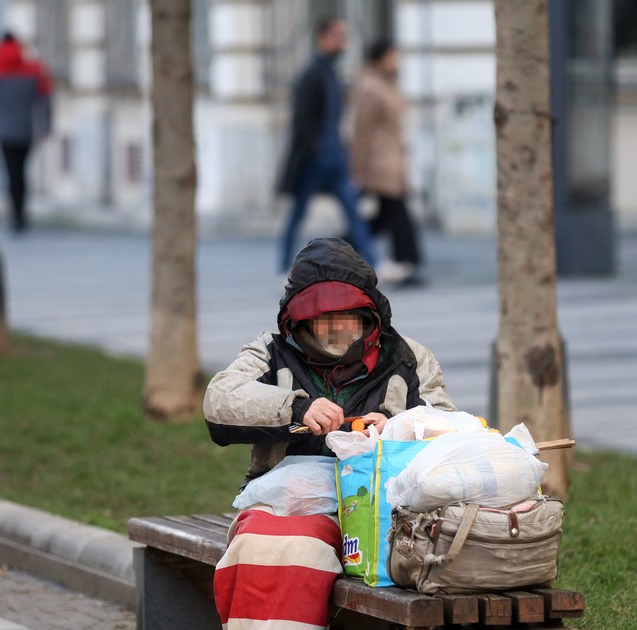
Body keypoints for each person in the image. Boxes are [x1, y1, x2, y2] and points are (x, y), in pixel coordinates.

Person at [203, 237, 456, 628]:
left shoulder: (409, 357)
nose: (336, 327)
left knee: (300, 548)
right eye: (323, 317)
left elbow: (448, 429)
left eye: (348, 316)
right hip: (284, 501)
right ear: (301, 319)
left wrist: (398, 428)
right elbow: (219, 400)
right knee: (262, 545)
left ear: (368, 314)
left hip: (386, 513)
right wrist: (296, 408)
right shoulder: (271, 351)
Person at [277, 17, 382, 276]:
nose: (343, 41)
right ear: (322, 37)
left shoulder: (331, 73)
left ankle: (375, 263)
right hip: (313, 160)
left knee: (353, 212)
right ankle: (281, 269)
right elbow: (302, 120)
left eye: (345, 35)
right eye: (338, 35)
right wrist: (317, 152)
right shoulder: (312, 74)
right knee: (297, 215)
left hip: (333, 158)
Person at [351, 38, 424, 286]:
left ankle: (340, 250)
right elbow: (362, 131)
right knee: (396, 214)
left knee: (381, 218)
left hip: (393, 160)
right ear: (381, 58)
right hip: (379, 163)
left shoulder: (388, 84)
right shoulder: (370, 88)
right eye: (393, 57)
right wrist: (358, 170)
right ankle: (407, 263)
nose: (397, 62)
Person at [0, 33, 52, 234]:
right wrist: (46, 126)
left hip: (2, 130)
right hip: (25, 130)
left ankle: (15, 215)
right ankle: (21, 214)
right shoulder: (33, 69)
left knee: (11, 172)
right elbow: (45, 100)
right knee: (21, 172)